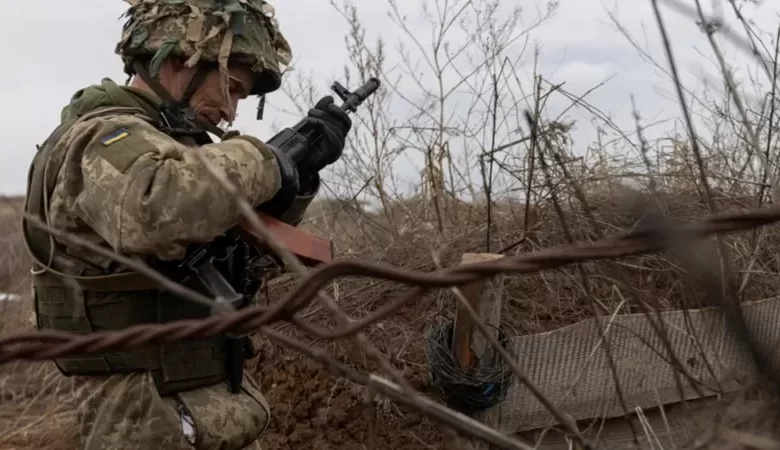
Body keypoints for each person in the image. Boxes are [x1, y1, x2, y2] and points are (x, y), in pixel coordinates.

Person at [20, 0, 351, 448]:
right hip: (144, 415)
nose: (231, 111)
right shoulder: (102, 136)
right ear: (181, 60)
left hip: (217, 401)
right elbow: (155, 208)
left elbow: (246, 264)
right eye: (230, 88)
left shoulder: (181, 151)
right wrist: (266, 160)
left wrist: (297, 179)